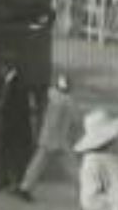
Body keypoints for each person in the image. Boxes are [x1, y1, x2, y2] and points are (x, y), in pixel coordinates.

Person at [13, 72, 81, 202]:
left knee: (37, 164)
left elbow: (52, 120)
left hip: (48, 138)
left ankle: (25, 188)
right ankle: (84, 189)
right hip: (59, 139)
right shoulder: (66, 101)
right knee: (72, 166)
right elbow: (74, 120)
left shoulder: (53, 97)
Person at [0, 55, 36, 193]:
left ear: (5, 67)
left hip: (11, 125)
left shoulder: (14, 82)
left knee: (10, 154)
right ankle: (7, 180)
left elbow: (8, 105)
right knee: (9, 153)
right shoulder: (14, 82)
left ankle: (12, 181)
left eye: (0, 68)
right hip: (13, 125)